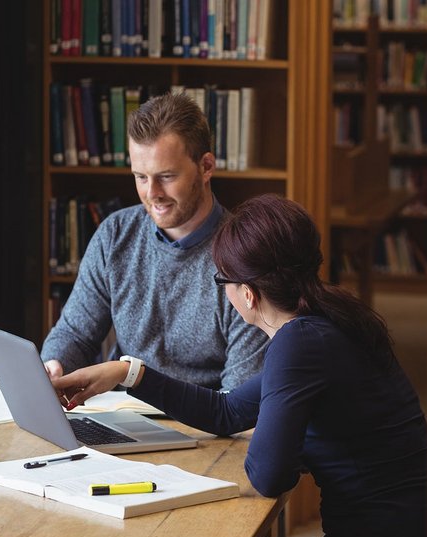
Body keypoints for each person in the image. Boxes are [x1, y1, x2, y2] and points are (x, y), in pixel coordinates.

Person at [52, 193, 427, 537]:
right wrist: (128, 373)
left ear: (249, 294)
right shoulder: (327, 319)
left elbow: (268, 475)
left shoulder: (298, 344)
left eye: (223, 283)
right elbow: (228, 411)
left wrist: (288, 442)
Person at [41, 92, 268, 391]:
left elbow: (239, 397)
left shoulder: (246, 257)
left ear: (206, 167)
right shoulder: (115, 235)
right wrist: (54, 366)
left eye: (167, 176)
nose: (152, 193)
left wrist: (132, 376)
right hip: (122, 410)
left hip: (207, 417)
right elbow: (75, 333)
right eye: (141, 177)